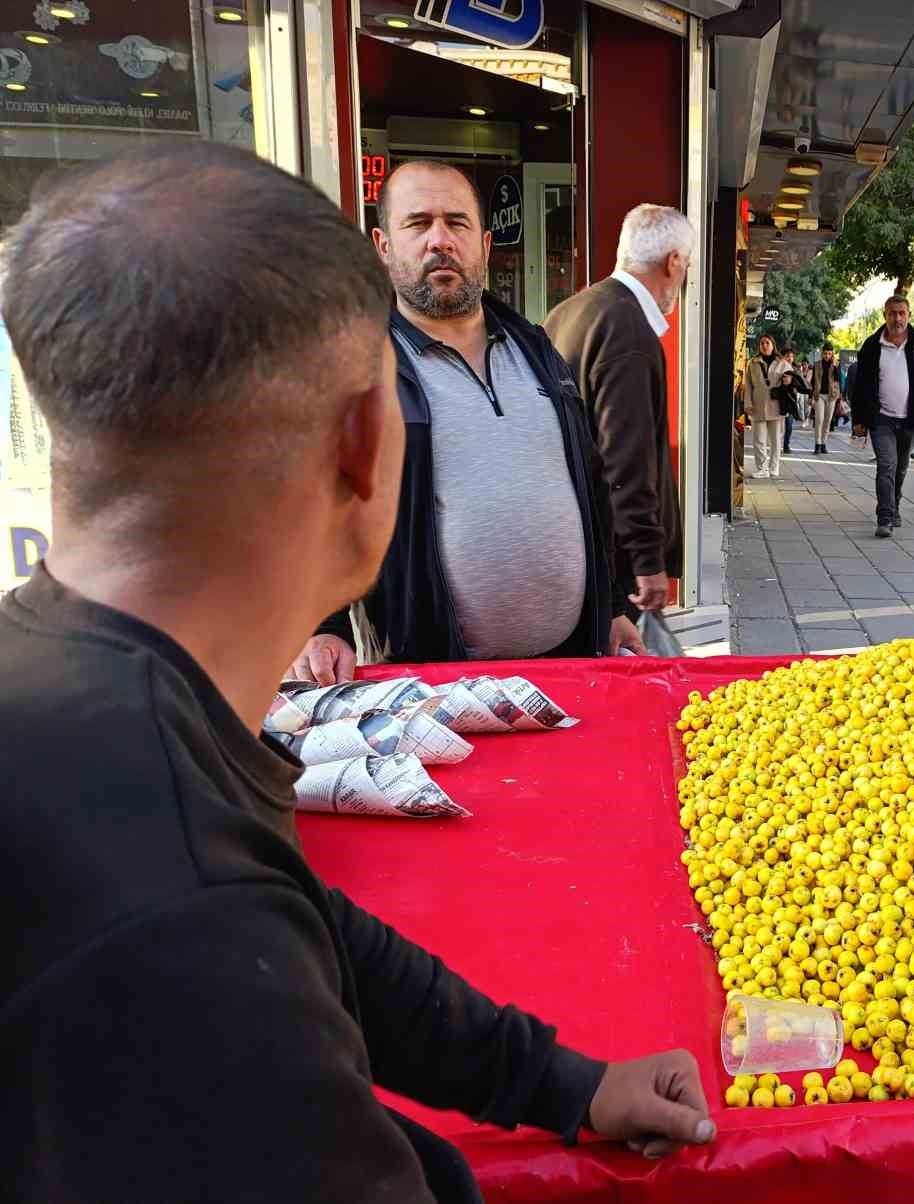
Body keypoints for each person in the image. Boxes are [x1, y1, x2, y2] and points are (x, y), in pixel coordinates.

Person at [0, 143, 714, 1204]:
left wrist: (565, 1082)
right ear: (363, 441)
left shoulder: (80, 684)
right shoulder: (177, 910)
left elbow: (317, 932)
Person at [289, 160, 641, 685]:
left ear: (484, 243)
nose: (440, 240)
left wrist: (613, 606)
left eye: (457, 223)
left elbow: (589, 484)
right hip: (437, 680)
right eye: (418, 223)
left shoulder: (535, 347)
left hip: (572, 664)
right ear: (383, 246)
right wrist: (322, 624)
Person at [544, 203, 690, 618]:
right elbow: (626, 459)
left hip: (575, 542)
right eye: (687, 266)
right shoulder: (628, 331)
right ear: (674, 262)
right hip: (614, 563)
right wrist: (648, 561)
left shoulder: (572, 311)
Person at [851, 294, 914, 539]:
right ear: (885, 315)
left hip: (911, 418)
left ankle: (895, 506)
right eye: (892, 313)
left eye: (902, 313)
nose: (897, 318)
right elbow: (859, 387)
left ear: (909, 315)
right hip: (881, 417)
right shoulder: (872, 345)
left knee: (901, 467)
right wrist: (859, 420)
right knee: (886, 464)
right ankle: (885, 516)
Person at [745, 333, 784, 478]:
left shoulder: (782, 362)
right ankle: (762, 468)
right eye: (762, 343)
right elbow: (748, 385)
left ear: (773, 345)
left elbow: (792, 380)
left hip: (776, 405)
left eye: (767, 343)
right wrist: (748, 403)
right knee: (759, 440)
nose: (764, 345)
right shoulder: (753, 363)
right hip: (758, 405)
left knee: (775, 440)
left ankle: (774, 467)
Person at [812, 344, 843, 454]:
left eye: (829, 353)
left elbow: (839, 379)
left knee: (828, 420)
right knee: (819, 419)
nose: (827, 355)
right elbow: (812, 381)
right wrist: (811, 396)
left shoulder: (835, 365)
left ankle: (824, 443)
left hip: (831, 396)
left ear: (832, 354)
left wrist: (835, 366)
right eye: (825, 353)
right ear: (822, 353)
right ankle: (817, 444)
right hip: (819, 395)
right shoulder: (816, 364)